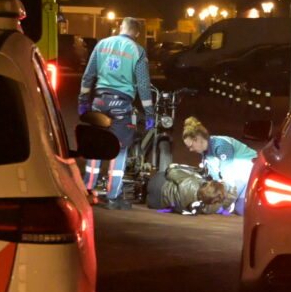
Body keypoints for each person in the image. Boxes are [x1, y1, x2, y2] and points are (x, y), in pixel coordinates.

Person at [78, 17, 154, 210]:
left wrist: (83, 102)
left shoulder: (102, 44)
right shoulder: (138, 51)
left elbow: (88, 76)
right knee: (119, 149)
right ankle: (113, 196)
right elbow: (143, 85)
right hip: (121, 104)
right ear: (137, 33)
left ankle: (87, 190)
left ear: (120, 27)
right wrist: (149, 112)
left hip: (99, 102)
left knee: (95, 145)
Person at [182, 116, 257, 215]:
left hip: (251, 170)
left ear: (198, 139)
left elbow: (229, 177)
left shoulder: (221, 145)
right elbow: (215, 177)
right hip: (239, 174)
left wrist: (220, 200)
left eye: (191, 146)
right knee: (235, 208)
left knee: (239, 209)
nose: (190, 150)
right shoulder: (205, 153)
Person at [146, 164, 237, 215]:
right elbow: (226, 201)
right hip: (154, 203)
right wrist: (233, 191)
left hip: (156, 184)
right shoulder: (209, 209)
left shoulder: (191, 181)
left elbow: (171, 172)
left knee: (170, 170)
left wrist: (193, 171)